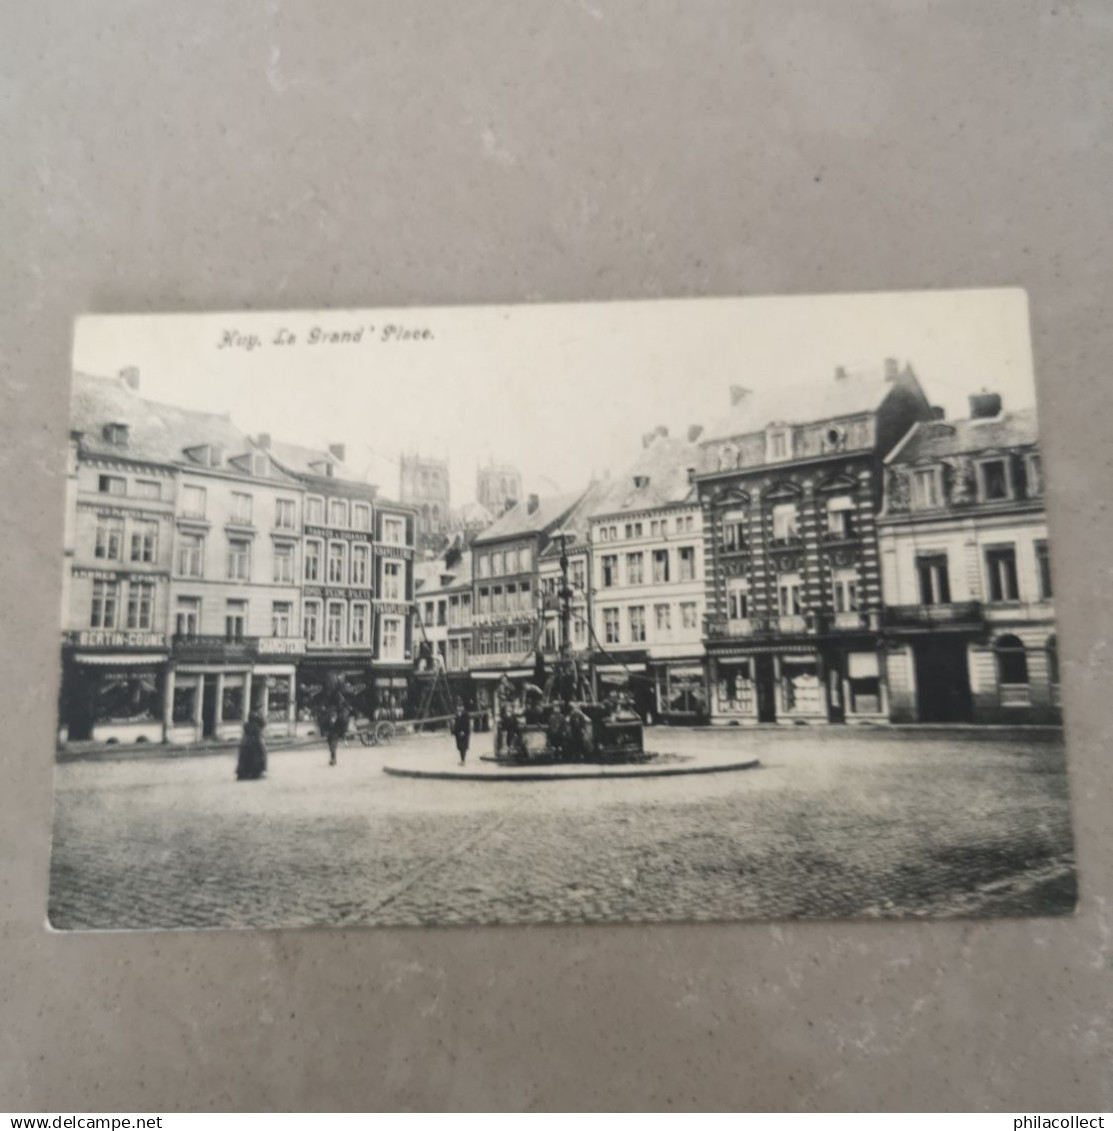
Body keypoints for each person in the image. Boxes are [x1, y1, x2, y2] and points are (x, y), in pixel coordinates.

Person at [236, 711, 268, 781]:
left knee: (245, 758)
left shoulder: (246, 725)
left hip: (246, 743)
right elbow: (263, 726)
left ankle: (244, 773)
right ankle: (256, 772)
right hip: (255, 743)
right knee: (257, 757)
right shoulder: (257, 727)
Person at [452, 700, 471, 765]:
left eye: (460, 706)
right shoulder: (457, 714)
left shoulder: (466, 714)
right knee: (459, 747)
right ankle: (462, 759)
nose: (459, 708)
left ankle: (463, 760)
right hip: (458, 733)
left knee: (463, 747)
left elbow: (466, 723)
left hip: (464, 733)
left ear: (463, 707)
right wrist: (455, 731)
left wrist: (464, 731)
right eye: (458, 706)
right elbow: (456, 723)